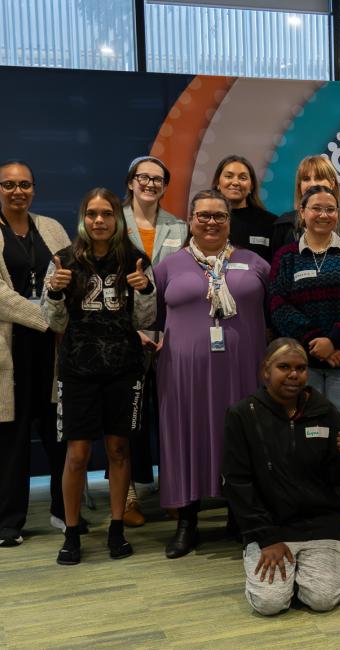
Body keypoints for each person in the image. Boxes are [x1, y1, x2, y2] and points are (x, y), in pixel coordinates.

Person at [154, 189, 270, 558]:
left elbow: (275, 314)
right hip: (183, 375)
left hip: (242, 371)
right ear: (190, 220)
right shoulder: (169, 266)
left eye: (219, 216)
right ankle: (187, 521)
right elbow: (148, 315)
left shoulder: (255, 263)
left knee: (240, 441)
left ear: (229, 221)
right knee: (186, 438)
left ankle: (240, 517)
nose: (210, 222)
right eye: (203, 215)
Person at [42, 188, 156, 564]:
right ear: (83, 218)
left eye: (106, 213)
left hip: (123, 369)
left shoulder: (136, 261)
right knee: (75, 455)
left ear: (117, 218)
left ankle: (117, 527)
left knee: (118, 450)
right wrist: (55, 295)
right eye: (92, 214)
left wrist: (144, 291)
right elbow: (53, 321)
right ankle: (72, 533)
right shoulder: (63, 261)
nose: (99, 221)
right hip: (78, 370)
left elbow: (145, 320)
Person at [223, 338, 340, 616]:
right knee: (270, 603)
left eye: (301, 368)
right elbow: (237, 482)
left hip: (321, 526)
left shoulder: (324, 411)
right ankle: (283, 577)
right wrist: (266, 538)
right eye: (284, 367)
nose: (293, 374)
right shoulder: (242, 414)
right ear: (265, 371)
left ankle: (304, 575)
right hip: (270, 528)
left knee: (323, 600)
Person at [270, 184, 340, 525]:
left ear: (339, 214)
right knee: (306, 437)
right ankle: (311, 511)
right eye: (316, 208)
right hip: (304, 368)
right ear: (302, 213)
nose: (323, 215)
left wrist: (336, 341)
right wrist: (317, 341)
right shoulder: (286, 257)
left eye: (331, 209)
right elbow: (277, 304)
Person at [0, 160, 72, 547]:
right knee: (10, 440)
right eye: (9, 185)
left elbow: (70, 274)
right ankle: (9, 523)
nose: (17, 191)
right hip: (10, 351)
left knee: (57, 433)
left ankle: (65, 511)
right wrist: (44, 317)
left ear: (34, 189)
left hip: (53, 351)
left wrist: (56, 313)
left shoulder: (52, 228)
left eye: (25, 184)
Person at [119, 155, 188, 528]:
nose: (150, 184)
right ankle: (127, 496)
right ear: (130, 182)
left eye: (158, 179)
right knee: (127, 421)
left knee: (169, 417)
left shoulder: (178, 226)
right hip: (121, 333)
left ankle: (173, 492)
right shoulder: (111, 222)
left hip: (167, 333)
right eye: (143, 177)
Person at [271, 154, 340, 253]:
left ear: (332, 183)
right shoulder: (284, 225)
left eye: (319, 178)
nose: (312, 184)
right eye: (306, 179)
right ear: (300, 185)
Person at [213, 154, 277, 264]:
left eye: (243, 178)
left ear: (251, 186)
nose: (235, 182)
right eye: (228, 176)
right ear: (218, 183)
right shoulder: (204, 220)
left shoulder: (271, 223)